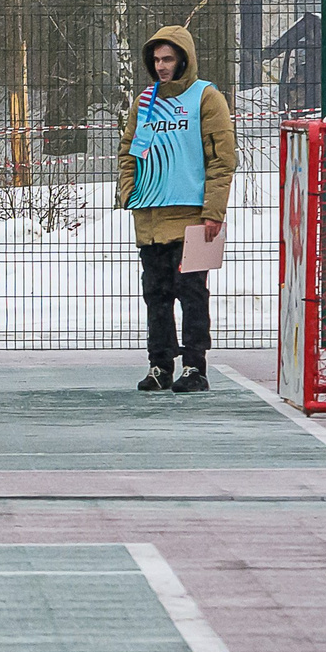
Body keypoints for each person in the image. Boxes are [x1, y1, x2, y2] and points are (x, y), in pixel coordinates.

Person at [116, 25, 235, 394]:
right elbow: (128, 151)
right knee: (156, 293)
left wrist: (214, 210)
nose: (161, 65)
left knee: (192, 291)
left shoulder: (207, 98)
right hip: (150, 216)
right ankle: (160, 366)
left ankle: (194, 367)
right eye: (156, 59)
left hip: (193, 217)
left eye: (168, 58)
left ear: (184, 58)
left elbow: (222, 158)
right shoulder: (144, 101)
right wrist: (128, 192)